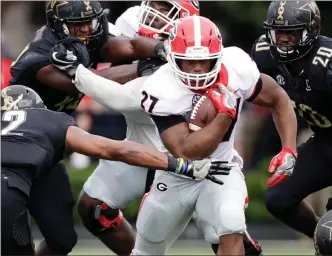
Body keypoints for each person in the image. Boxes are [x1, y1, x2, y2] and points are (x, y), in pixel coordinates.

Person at [51, 2, 263, 254]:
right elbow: (113, 52)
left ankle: (230, 239)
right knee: (93, 207)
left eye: (164, 7)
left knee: (220, 226)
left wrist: (80, 75)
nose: (153, 11)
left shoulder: (199, 52)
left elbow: (118, 94)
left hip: (179, 149)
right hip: (139, 141)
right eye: (154, 3)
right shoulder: (132, 20)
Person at [129, 15, 298, 255]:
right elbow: (186, 150)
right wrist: (225, 114)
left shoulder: (237, 67)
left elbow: (278, 98)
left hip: (222, 168)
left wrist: (289, 148)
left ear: (218, 57)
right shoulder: (160, 87)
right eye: (188, 62)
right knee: (146, 248)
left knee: (231, 223)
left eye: (205, 61)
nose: (197, 68)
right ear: (173, 58)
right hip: (177, 172)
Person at [8, 1, 166, 254]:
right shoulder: (38, 59)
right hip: (13, 149)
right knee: (14, 242)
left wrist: (163, 49)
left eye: (89, 21)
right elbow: (90, 84)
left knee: (62, 239)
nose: (85, 29)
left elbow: (130, 45)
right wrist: (143, 67)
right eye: (77, 24)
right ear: (58, 26)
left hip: (47, 149)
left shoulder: (85, 37)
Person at [1, 85, 231, 256]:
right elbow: (117, 150)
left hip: (13, 184)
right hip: (8, 190)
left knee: (62, 239)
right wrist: (180, 165)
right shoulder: (50, 120)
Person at [250, 0, 332, 244]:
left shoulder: (330, 59)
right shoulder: (263, 56)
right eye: (279, 33)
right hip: (323, 143)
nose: (284, 39)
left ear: (310, 30)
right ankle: (322, 242)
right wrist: (287, 148)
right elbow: (273, 103)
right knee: (278, 200)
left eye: (291, 32)